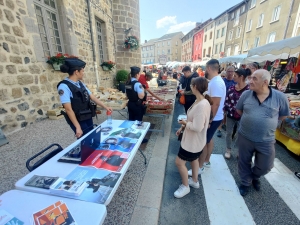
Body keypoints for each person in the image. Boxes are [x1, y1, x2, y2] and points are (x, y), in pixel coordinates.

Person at [236, 69, 290, 196]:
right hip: (245, 136)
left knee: (266, 166)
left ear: (265, 82)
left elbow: (282, 116)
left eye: (254, 78)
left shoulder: (280, 97)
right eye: (250, 78)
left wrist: (267, 124)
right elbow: (239, 111)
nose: (250, 81)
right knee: (244, 161)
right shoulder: (246, 95)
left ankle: (254, 176)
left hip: (266, 139)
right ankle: (245, 182)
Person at [174, 77, 212, 198]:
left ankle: (185, 186)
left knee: (179, 163)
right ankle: (194, 181)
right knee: (194, 159)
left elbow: (197, 127)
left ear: (195, 87)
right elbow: (192, 120)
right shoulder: (201, 101)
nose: (190, 86)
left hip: (192, 142)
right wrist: (182, 128)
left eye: (192, 85)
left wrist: (185, 124)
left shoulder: (201, 105)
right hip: (195, 141)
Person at [188, 59, 226, 176]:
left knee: (203, 141)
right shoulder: (215, 81)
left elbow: (215, 104)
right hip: (215, 117)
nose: (205, 70)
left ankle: (200, 166)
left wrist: (209, 120)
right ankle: (206, 161)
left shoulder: (216, 83)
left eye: (205, 68)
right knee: (208, 139)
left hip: (213, 117)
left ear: (209, 68)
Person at [57, 58, 112, 138]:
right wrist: (78, 127)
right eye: (82, 71)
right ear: (76, 72)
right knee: (85, 141)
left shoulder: (79, 83)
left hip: (86, 115)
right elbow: (68, 109)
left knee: (92, 137)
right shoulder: (64, 86)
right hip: (77, 119)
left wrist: (106, 107)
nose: (83, 73)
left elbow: (92, 97)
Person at [223, 68, 251, 159]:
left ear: (241, 77)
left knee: (241, 134)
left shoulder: (249, 90)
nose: (233, 77)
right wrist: (226, 111)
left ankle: (239, 150)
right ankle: (228, 149)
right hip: (230, 115)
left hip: (243, 116)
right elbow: (226, 101)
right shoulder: (231, 88)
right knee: (229, 133)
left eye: (235, 76)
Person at [125, 66, 148, 143]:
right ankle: (139, 139)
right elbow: (141, 96)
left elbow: (126, 95)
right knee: (138, 122)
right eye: (139, 74)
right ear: (137, 74)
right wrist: (143, 90)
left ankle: (131, 136)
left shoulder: (127, 82)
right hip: (137, 105)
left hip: (130, 104)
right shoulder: (138, 84)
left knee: (131, 121)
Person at [216, 66, 236, 138]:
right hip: (223, 101)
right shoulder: (222, 81)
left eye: (231, 71)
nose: (230, 73)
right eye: (228, 71)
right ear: (226, 71)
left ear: (234, 72)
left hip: (231, 102)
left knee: (227, 116)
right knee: (221, 114)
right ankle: (219, 129)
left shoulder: (235, 81)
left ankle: (224, 124)